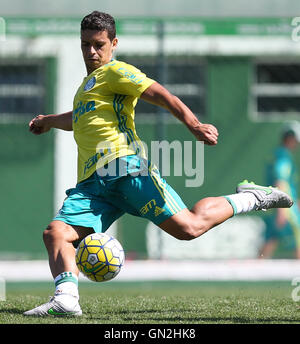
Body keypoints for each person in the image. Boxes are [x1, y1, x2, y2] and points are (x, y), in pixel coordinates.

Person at [24, 11, 293, 316]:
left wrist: (194, 124)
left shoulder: (116, 72)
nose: (91, 51)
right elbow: (80, 119)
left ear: (114, 43)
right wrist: (48, 121)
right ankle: (67, 299)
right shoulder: (86, 87)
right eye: (85, 44)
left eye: (98, 44)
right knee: (55, 233)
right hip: (93, 186)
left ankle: (249, 198)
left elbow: (160, 94)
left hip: (125, 170)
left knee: (189, 228)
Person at [259, 122, 300, 259]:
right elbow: (281, 181)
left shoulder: (277, 154)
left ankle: (255, 273)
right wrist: (283, 210)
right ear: (290, 138)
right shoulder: (283, 157)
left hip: (274, 206)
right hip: (286, 209)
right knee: (298, 241)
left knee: (270, 241)